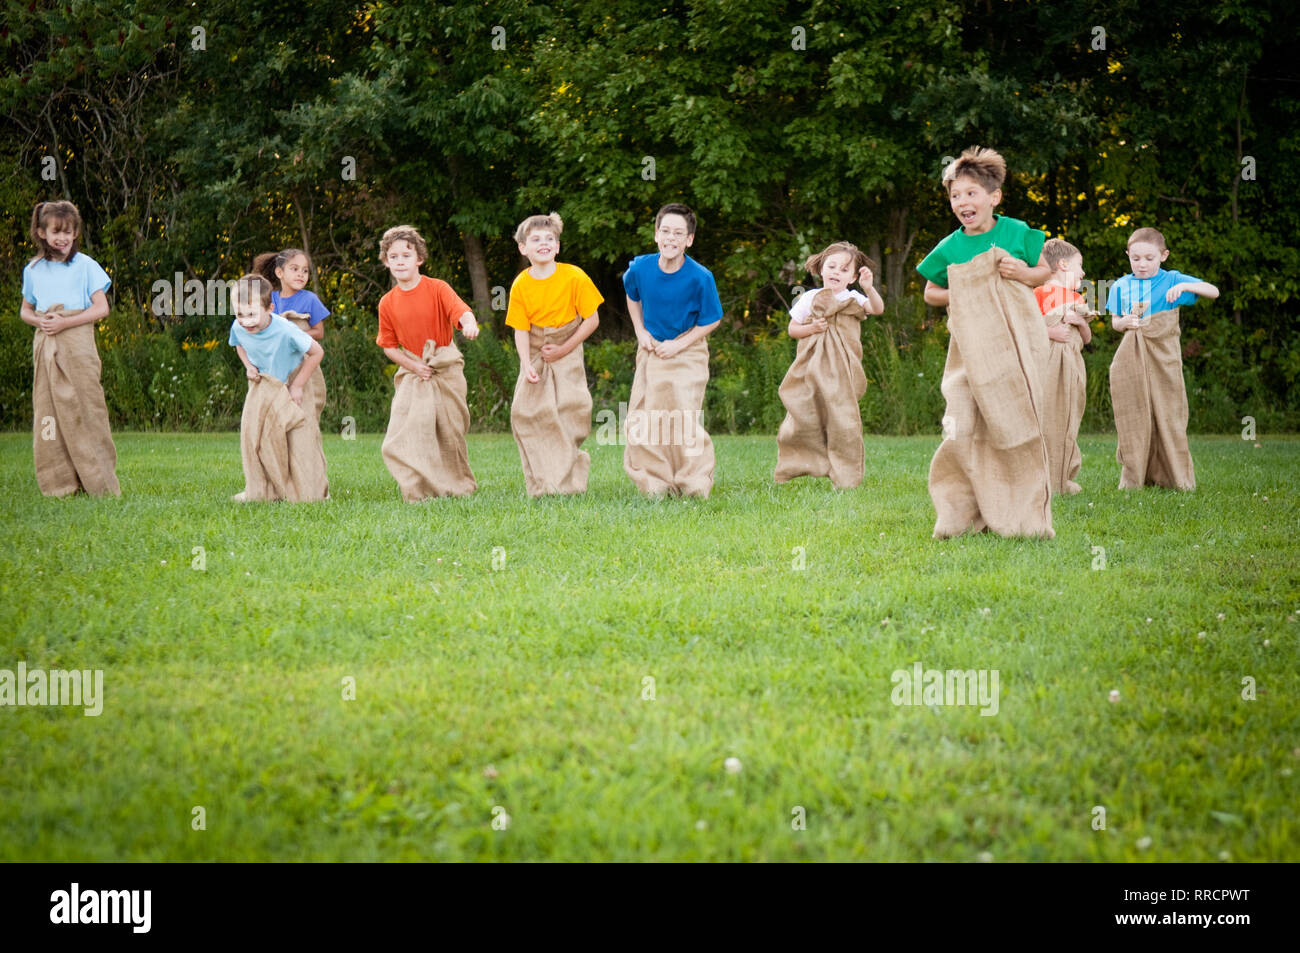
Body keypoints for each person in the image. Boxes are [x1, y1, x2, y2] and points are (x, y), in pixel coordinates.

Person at [916, 146, 1054, 538]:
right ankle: (959, 514)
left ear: (994, 197)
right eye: (955, 195)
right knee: (961, 425)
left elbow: (1044, 271)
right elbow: (931, 293)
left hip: (1015, 348)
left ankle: (1021, 514)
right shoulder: (950, 247)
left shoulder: (1016, 233)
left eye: (971, 193)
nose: (962, 202)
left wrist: (1023, 273)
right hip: (970, 351)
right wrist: (964, 286)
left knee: (1013, 424)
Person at [622, 203, 723, 498]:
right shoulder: (640, 268)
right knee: (644, 417)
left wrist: (679, 344)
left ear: (689, 240)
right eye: (665, 231)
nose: (670, 238)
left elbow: (712, 319)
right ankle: (657, 482)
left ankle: (693, 482)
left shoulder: (700, 277)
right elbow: (632, 296)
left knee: (682, 415)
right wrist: (640, 332)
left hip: (688, 349)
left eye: (678, 233)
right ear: (656, 235)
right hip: (652, 349)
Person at [20, 200, 120, 497]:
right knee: (49, 413)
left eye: (68, 232)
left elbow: (101, 308)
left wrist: (65, 323)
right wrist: (40, 321)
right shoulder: (34, 269)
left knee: (86, 407)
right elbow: (25, 310)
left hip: (77, 343)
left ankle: (98, 482)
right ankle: (60, 483)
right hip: (46, 341)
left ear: (76, 233)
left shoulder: (86, 265)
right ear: (41, 232)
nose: (62, 238)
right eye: (55, 232)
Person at [1106, 227, 1218, 491]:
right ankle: (1135, 476)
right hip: (1134, 354)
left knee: (1168, 412)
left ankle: (1174, 476)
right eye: (1135, 258)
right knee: (1136, 411)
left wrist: (1184, 285)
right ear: (1127, 255)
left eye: (1149, 258)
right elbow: (1115, 324)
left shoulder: (1172, 280)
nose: (1142, 264)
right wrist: (1125, 322)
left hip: (1165, 355)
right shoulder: (1121, 285)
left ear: (1163, 256)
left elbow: (1213, 291)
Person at [375, 225, 479, 502]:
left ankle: (458, 485)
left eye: (406, 255)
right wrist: (414, 367)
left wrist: (469, 324)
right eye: (393, 257)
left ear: (419, 258)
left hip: (445, 366)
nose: (399, 261)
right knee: (409, 430)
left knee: (450, 430)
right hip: (413, 371)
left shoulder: (437, 288)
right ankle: (419, 489)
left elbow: (461, 311)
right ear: (386, 261)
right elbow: (388, 347)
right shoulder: (387, 303)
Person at [505, 213, 603, 496]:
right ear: (523, 248)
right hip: (536, 352)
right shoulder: (521, 284)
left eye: (550, 239)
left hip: (568, 348)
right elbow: (521, 330)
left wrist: (563, 348)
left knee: (570, 410)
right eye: (535, 239)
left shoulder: (574, 276)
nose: (544, 244)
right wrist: (526, 364)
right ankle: (541, 482)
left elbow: (592, 319)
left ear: (558, 247)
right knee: (525, 412)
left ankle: (569, 478)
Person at [774, 241, 884, 488]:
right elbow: (793, 329)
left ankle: (844, 475)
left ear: (853, 277)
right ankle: (797, 463)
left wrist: (870, 288)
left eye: (844, 269)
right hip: (812, 369)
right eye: (832, 266)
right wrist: (811, 328)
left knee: (842, 419)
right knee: (807, 414)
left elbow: (877, 309)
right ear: (821, 269)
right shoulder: (809, 298)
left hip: (843, 371)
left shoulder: (854, 298)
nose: (836, 272)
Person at [227, 274, 328, 502]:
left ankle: (306, 489)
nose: (246, 321)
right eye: (239, 314)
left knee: (299, 437)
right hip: (265, 382)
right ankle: (263, 490)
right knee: (257, 436)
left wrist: (298, 386)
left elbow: (317, 352)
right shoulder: (239, 326)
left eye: (252, 314)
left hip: (294, 378)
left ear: (270, 308)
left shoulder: (285, 329)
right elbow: (238, 343)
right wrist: (248, 366)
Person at [1034, 238, 1093, 495]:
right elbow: (1027, 327)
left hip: (1072, 364)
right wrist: (1051, 330)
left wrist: (1077, 321)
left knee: (1069, 417)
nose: (1083, 272)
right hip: (1046, 364)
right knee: (1045, 416)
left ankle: (1063, 476)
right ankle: (1040, 476)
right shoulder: (1038, 293)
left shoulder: (1077, 299)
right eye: (1079, 266)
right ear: (1062, 265)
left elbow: (1087, 338)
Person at [253, 248, 330, 425]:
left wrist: (294, 335)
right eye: (294, 269)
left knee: (302, 409)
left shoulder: (309, 299)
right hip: (275, 362)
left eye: (305, 271)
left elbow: (319, 332)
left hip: (302, 362)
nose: (301, 275)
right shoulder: (270, 299)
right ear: (279, 272)